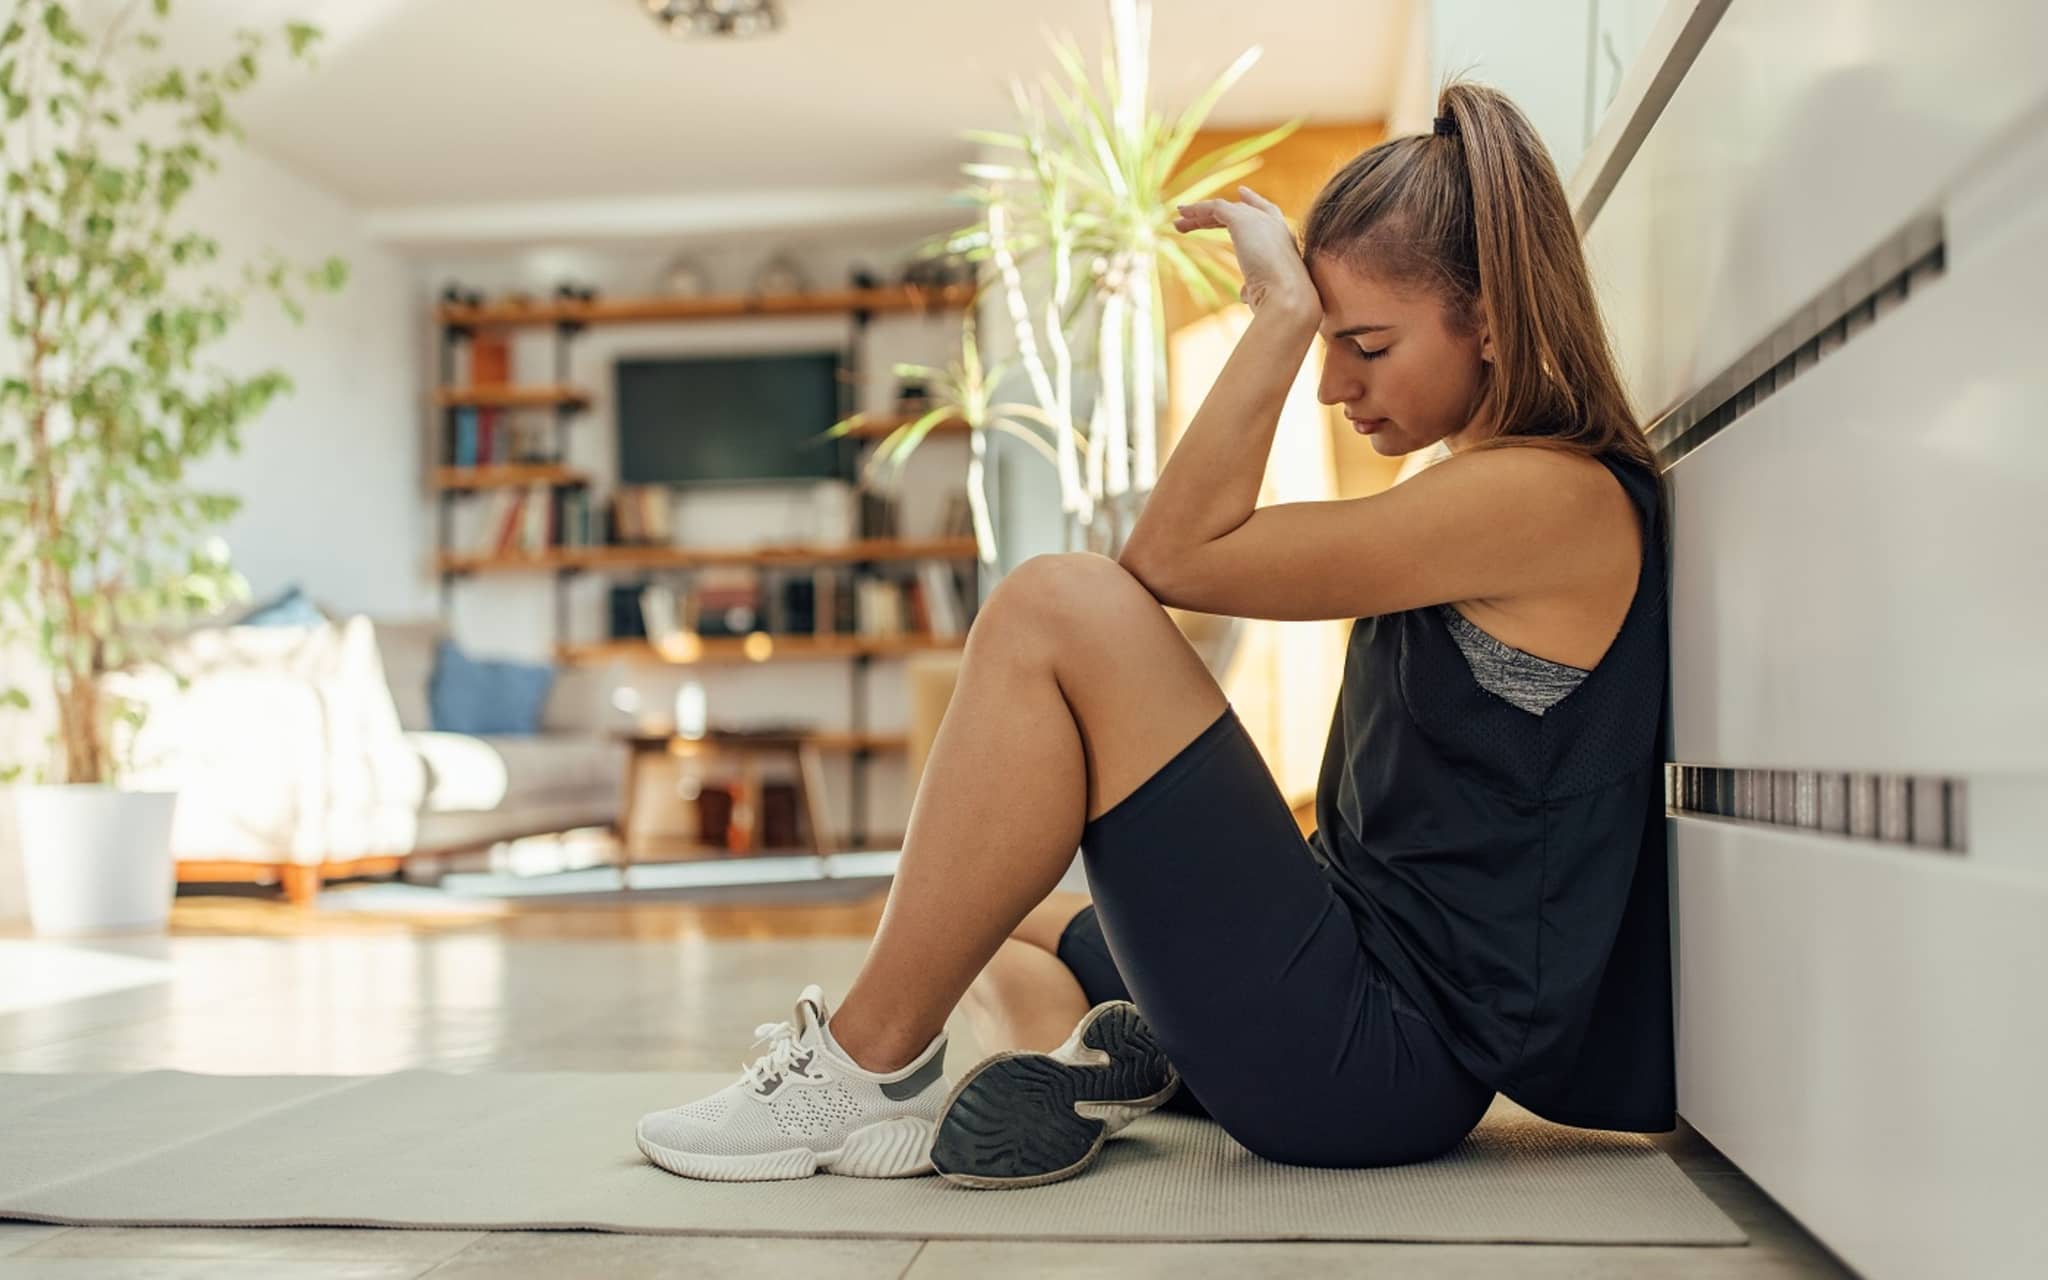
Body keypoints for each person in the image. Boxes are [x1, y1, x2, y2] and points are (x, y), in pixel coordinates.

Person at [634, 78, 1675, 1188]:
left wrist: (1273, 313)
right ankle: (1082, 1064)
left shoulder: (1543, 499)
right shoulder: (1487, 485)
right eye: (1323, 340)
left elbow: (1168, 560)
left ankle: (859, 1069)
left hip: (1376, 1059)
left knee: (1056, 601)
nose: (1333, 383)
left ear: (1492, 321)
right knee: (1002, 908)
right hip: (1346, 986)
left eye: (1364, 343)